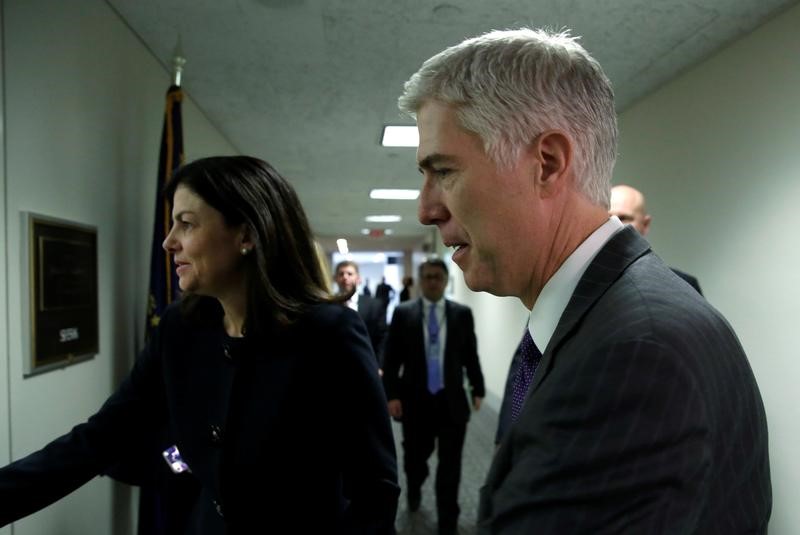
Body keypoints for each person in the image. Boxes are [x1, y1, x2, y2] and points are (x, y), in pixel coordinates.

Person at [400, 28, 770, 533]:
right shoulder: (609, 317)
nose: (426, 209)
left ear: (547, 164)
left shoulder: (637, 353)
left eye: (443, 170)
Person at [0, 156, 399, 533]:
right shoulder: (181, 328)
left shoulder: (328, 334)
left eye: (186, 224)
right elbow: (102, 437)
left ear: (246, 234)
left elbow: (375, 489)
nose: (168, 242)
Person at [382, 258, 485, 535]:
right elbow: (390, 360)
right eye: (427, 277)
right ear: (420, 280)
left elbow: (470, 355)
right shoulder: (404, 313)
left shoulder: (461, 314)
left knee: (450, 468)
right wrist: (391, 395)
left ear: (445, 280)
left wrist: (478, 387)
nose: (432, 281)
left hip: (451, 401)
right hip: (415, 401)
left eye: (437, 277)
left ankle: (448, 521)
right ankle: (414, 486)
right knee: (415, 460)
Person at [610, 184, 703, 294]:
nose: (614, 225)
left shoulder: (683, 286)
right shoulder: (586, 282)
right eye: (608, 218)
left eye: (623, 218)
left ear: (645, 224)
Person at [335, 260, 388, 365]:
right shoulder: (326, 306)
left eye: (350, 274)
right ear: (336, 279)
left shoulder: (374, 305)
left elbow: (382, 338)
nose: (345, 277)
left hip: (367, 364)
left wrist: (379, 365)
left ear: (358, 279)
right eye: (341, 274)